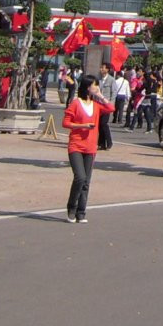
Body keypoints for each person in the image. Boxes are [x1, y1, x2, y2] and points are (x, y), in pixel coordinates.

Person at [63, 73, 112, 223]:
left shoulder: (96, 105)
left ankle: (81, 212)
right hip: (76, 145)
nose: (96, 87)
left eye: (97, 85)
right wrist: (82, 125)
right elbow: (66, 122)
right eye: (93, 85)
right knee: (80, 177)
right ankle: (72, 207)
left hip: (90, 147)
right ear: (87, 87)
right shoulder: (76, 103)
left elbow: (111, 108)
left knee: (86, 182)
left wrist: (101, 96)